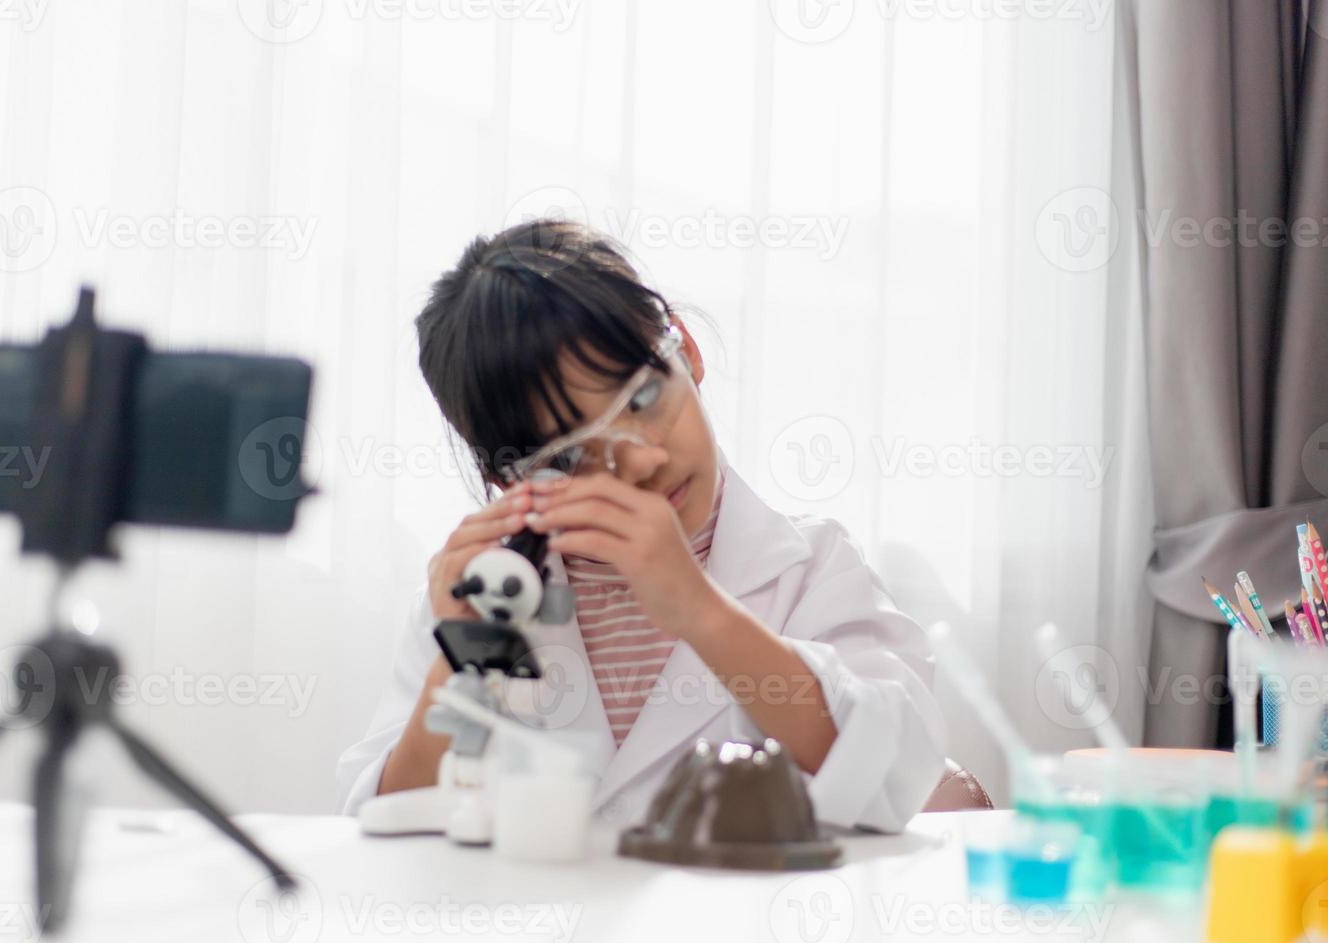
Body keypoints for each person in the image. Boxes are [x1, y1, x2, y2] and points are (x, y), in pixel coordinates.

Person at [337, 220, 944, 831]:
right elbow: (380, 826)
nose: (645, 461)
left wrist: (700, 611)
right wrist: (463, 659)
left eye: (644, 399)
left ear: (685, 348)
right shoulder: (479, 600)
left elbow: (897, 775)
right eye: (571, 457)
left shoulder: (811, 567)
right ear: (512, 483)